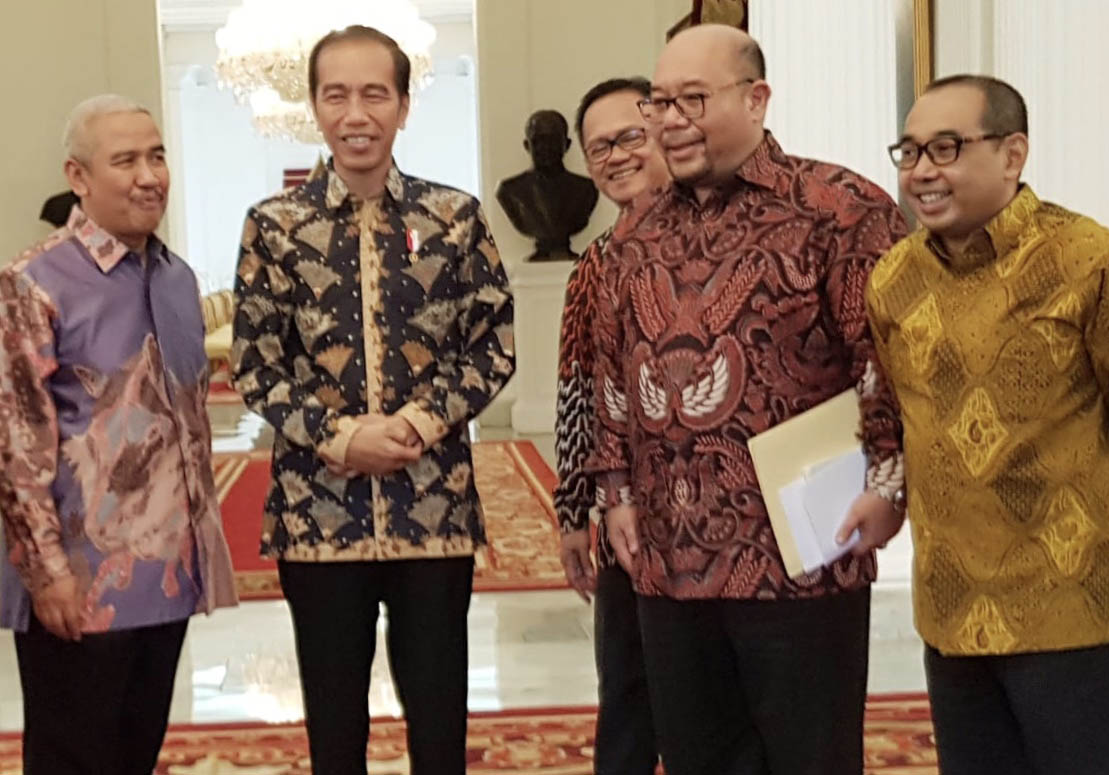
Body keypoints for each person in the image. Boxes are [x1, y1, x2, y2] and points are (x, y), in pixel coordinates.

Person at [588, 25, 908, 775]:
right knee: (697, 757)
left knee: (809, 758)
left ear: (756, 98)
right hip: (668, 558)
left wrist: (888, 484)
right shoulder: (634, 231)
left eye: (693, 100)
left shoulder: (838, 207)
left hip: (801, 551)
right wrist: (615, 492)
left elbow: (890, 361)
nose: (671, 120)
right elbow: (612, 375)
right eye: (659, 101)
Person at [230, 25, 515, 775]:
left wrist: (421, 421)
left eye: (374, 94)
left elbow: (493, 344)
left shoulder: (453, 217)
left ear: (402, 105)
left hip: (434, 511)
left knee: (438, 716)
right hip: (318, 513)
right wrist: (337, 436)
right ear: (315, 107)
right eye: (337, 95)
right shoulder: (274, 225)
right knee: (332, 720)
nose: (356, 114)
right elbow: (256, 364)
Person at [866, 73, 1109, 775]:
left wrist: (1092, 531)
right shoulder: (893, 280)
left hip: (1066, 597)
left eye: (945, 147)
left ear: (1012, 153)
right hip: (948, 599)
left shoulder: (1095, 263)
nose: (922, 171)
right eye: (907, 153)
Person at [0, 94, 238, 775]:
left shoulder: (175, 276)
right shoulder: (33, 282)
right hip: (80, 584)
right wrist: (47, 575)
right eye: (125, 159)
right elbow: (17, 446)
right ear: (78, 177)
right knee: (74, 758)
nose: (148, 175)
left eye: (157, 155)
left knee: (137, 750)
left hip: (166, 578)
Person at [555, 76, 670, 775]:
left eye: (630, 135)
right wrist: (573, 510)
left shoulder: (715, 245)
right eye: (598, 146)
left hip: (720, 519)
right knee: (625, 691)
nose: (615, 155)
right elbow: (575, 391)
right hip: (624, 513)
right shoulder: (593, 264)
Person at [496, 109, 599, 261]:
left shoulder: (586, 189)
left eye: (553, 140)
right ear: (527, 145)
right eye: (538, 141)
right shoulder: (509, 190)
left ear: (567, 144)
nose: (546, 147)